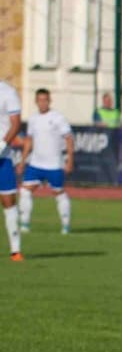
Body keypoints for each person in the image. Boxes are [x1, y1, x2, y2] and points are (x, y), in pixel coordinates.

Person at [18, 89, 74, 236]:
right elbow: (29, 141)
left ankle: (65, 225)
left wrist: (69, 161)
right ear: (36, 102)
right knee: (24, 191)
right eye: (40, 100)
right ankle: (24, 224)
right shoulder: (33, 119)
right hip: (36, 163)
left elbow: (68, 139)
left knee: (59, 193)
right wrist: (23, 161)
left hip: (54, 164)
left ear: (49, 101)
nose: (43, 103)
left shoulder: (58, 118)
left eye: (45, 100)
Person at [0, 81, 19, 260]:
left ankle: (15, 250)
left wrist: (1, 145)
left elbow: (15, 124)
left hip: (2, 157)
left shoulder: (7, 91)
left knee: (8, 201)